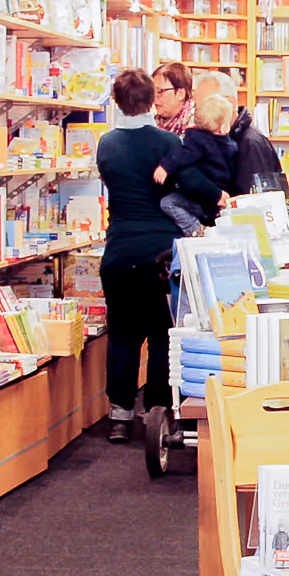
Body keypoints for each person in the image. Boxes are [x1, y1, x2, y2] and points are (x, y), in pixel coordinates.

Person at [95, 69, 184, 444]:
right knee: (163, 335)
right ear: (152, 101)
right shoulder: (169, 143)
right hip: (161, 252)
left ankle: (119, 416)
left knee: (123, 335)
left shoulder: (106, 144)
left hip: (119, 251)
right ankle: (158, 412)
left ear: (117, 102)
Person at [154, 90, 239, 237]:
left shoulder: (195, 140)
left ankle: (194, 228)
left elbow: (182, 156)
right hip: (221, 196)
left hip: (199, 196)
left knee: (168, 203)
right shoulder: (232, 145)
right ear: (224, 128)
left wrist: (165, 167)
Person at [152, 61, 195, 136]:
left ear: (181, 94)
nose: (154, 97)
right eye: (152, 91)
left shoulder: (195, 124)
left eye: (159, 91)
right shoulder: (153, 121)